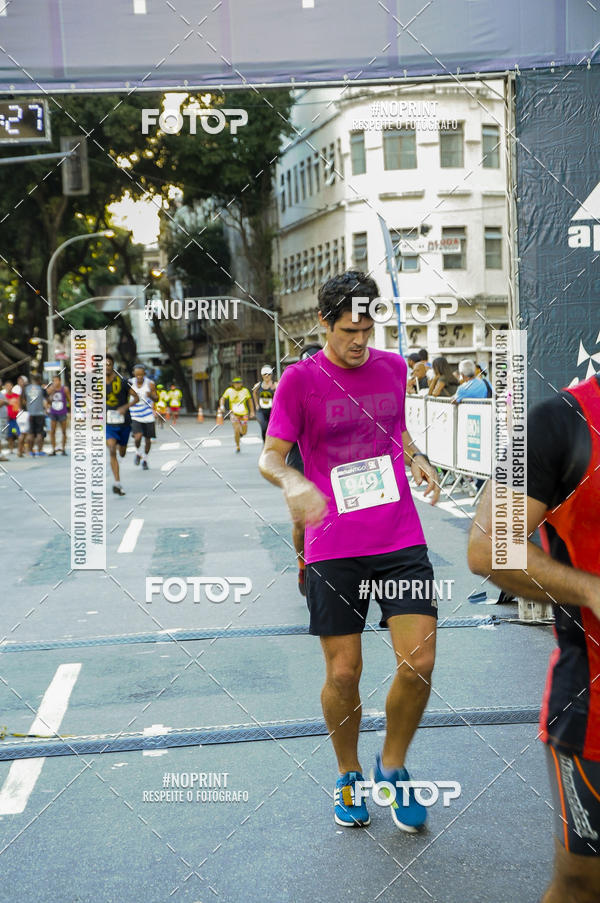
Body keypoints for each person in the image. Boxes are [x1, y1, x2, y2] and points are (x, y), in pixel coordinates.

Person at [259, 270, 440, 830]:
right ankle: (347, 774)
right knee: (345, 673)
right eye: (347, 331)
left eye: (366, 328)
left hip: (398, 535)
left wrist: (415, 457)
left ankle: (393, 768)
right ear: (323, 323)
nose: (360, 341)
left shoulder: (392, 368)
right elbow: (270, 454)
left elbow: (393, 429)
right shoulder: (299, 380)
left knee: (421, 661)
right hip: (334, 544)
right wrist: (290, 481)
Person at [468, 372, 600, 902]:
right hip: (594, 706)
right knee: (581, 884)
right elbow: (488, 548)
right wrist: (590, 590)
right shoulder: (562, 421)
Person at [285, 344, 322, 596]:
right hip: (299, 465)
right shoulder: (291, 392)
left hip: (333, 466)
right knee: (301, 523)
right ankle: (302, 566)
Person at [105, 354, 138, 496]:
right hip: (108, 423)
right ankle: (117, 483)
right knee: (112, 449)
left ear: (113, 365)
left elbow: (136, 397)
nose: (106, 367)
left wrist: (125, 407)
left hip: (124, 422)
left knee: (121, 452)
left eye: (108, 364)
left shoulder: (123, 381)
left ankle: (122, 449)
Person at [129, 364, 158, 471]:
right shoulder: (129, 383)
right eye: (137, 375)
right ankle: (137, 452)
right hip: (135, 415)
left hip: (148, 415)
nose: (139, 377)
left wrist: (150, 395)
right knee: (138, 437)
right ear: (134, 374)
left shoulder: (150, 384)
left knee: (148, 440)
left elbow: (156, 399)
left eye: (141, 374)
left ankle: (145, 459)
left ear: (144, 374)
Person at [219, 377, 255, 453]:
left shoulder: (245, 391)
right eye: (236, 383)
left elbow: (250, 401)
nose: (237, 385)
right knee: (236, 430)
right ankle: (237, 445)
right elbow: (222, 398)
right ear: (233, 384)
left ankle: (241, 434)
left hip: (244, 414)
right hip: (234, 414)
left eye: (239, 383)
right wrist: (222, 406)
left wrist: (252, 411)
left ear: (241, 384)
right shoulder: (229, 390)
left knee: (244, 431)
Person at [252, 366, 278, 443]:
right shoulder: (258, 385)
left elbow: (282, 395)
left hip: (272, 410)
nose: (267, 376)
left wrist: (276, 389)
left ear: (271, 375)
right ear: (262, 375)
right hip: (261, 410)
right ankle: (265, 442)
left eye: (269, 374)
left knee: (272, 428)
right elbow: (254, 393)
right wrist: (256, 404)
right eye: (265, 374)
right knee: (263, 426)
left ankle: (271, 442)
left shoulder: (275, 385)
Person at [24, 373, 48, 456]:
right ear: (39, 380)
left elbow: (23, 400)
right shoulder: (41, 389)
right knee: (39, 433)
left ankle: (30, 451)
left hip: (30, 413)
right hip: (40, 414)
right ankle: (40, 450)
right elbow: (46, 401)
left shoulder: (26, 389)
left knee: (30, 433)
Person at [48, 375, 70, 456]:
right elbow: (49, 400)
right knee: (52, 431)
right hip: (53, 412)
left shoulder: (65, 389)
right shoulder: (51, 389)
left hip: (62, 412)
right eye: (53, 381)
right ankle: (54, 449)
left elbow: (70, 400)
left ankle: (63, 449)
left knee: (64, 431)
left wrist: (70, 412)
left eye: (56, 380)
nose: (55, 382)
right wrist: (52, 392)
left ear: (60, 381)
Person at [4, 378, 24, 456]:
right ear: (5, 387)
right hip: (7, 419)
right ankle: (11, 449)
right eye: (7, 386)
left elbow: (20, 406)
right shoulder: (3, 396)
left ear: (12, 386)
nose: (8, 387)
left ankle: (21, 449)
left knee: (18, 433)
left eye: (10, 386)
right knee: (10, 435)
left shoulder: (16, 396)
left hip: (16, 419)